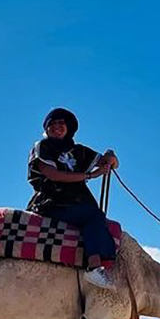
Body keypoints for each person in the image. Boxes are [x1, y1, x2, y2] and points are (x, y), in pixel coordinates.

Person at [26, 107, 120, 288]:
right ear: (46, 129)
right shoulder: (42, 147)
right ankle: (94, 268)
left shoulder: (79, 151)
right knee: (93, 216)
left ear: (68, 127)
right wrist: (90, 176)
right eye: (52, 124)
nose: (57, 127)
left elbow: (111, 163)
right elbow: (54, 175)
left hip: (77, 201)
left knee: (97, 217)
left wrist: (110, 156)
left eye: (61, 123)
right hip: (52, 201)